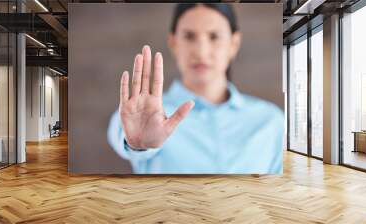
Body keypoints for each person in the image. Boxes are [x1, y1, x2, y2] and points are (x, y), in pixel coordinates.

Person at [107, 3, 284, 174]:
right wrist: (137, 144)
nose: (201, 51)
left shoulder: (271, 121)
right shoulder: (142, 115)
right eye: (189, 36)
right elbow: (123, 133)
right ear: (173, 43)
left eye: (214, 36)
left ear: (234, 44)